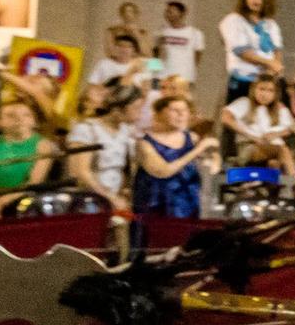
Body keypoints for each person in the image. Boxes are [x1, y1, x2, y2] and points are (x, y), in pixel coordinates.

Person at [134, 94, 216, 219]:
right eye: (174, 110)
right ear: (160, 113)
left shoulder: (192, 138)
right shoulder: (144, 143)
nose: (181, 114)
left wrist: (213, 158)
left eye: (184, 110)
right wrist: (198, 150)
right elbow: (163, 171)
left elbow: (211, 161)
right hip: (156, 206)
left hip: (188, 204)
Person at [68, 83, 141, 212]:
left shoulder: (126, 131)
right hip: (90, 198)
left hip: (115, 196)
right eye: (136, 108)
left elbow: (125, 168)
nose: (139, 114)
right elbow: (82, 172)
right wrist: (109, 197)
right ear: (119, 108)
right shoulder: (87, 129)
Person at [221, 72, 295, 176]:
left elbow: (292, 128)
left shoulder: (278, 108)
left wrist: (276, 134)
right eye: (262, 89)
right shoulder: (245, 103)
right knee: (282, 150)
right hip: (249, 146)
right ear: (254, 90)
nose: (265, 94)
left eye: (270, 91)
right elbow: (225, 118)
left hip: (271, 146)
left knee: (275, 163)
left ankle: (278, 188)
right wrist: (251, 136)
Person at [219, 0, 283, 103]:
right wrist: (269, 63)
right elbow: (242, 51)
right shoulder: (233, 20)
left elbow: (277, 50)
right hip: (243, 79)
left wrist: (274, 70)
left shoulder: (271, 24)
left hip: (266, 82)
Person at [155, 0, 206, 86]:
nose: (168, 14)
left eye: (171, 11)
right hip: (162, 77)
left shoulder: (195, 33)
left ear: (182, 14)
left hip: (184, 78)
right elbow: (155, 55)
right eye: (167, 11)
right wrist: (154, 73)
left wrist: (190, 71)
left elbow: (198, 55)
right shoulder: (160, 32)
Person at [85, 31, 149, 91]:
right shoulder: (104, 63)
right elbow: (92, 85)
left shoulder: (142, 62)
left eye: (128, 47)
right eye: (120, 46)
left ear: (134, 50)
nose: (124, 49)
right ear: (115, 48)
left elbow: (157, 67)